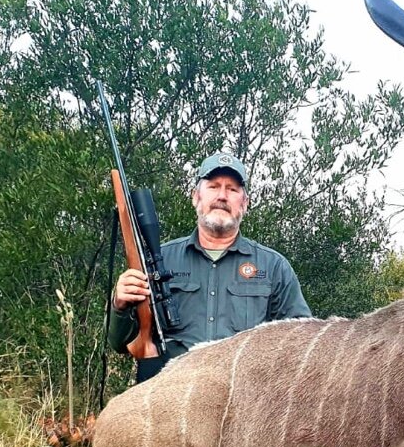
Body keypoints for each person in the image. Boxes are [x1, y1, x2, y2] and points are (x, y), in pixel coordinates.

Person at [107, 151, 312, 381]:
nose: (222, 196)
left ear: (245, 203)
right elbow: (120, 343)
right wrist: (120, 304)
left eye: (232, 189)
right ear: (196, 197)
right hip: (169, 395)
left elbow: (300, 343)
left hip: (242, 401)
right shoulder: (158, 259)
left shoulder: (274, 267)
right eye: (213, 186)